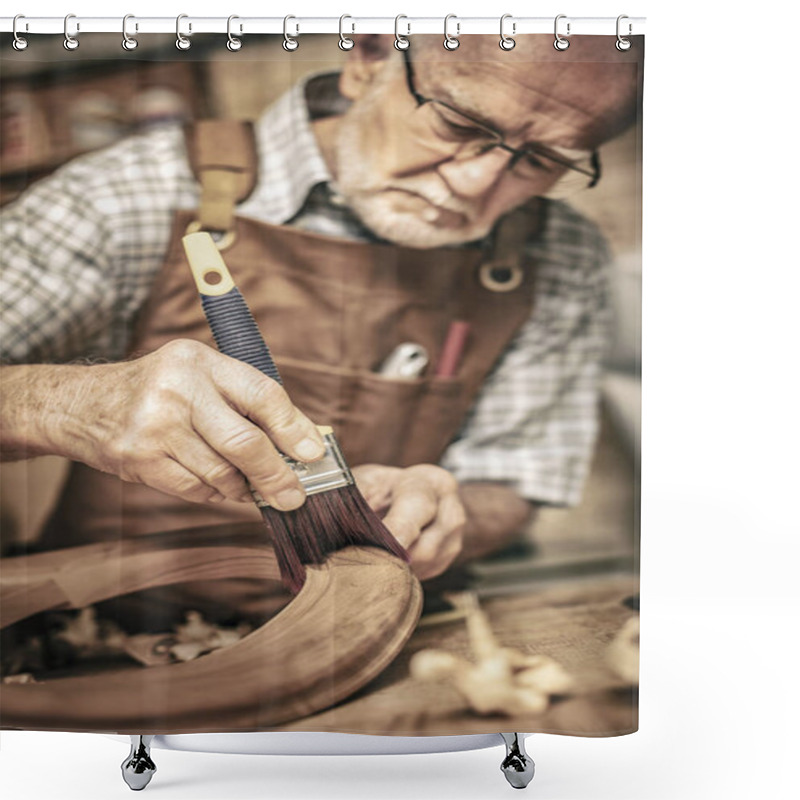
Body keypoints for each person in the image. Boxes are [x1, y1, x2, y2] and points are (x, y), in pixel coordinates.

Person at [0, 35, 640, 610]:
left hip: (377, 632)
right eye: (456, 122)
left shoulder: (558, 253)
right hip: (110, 641)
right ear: (368, 56)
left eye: (539, 161)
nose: (475, 184)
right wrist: (66, 405)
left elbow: (514, 478)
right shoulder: (128, 195)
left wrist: (454, 511)